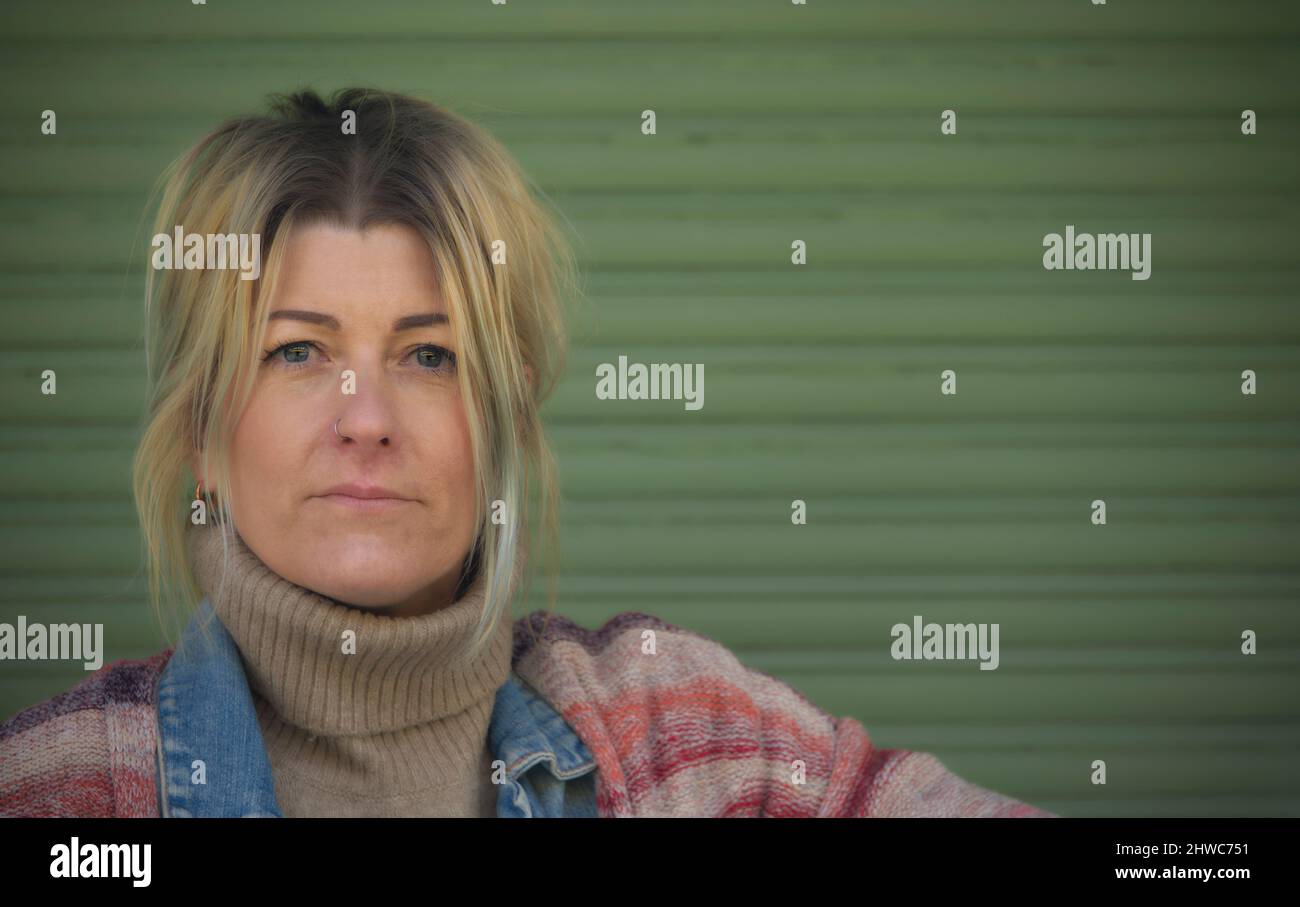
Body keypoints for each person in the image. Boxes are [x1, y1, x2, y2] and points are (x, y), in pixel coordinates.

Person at [0, 88, 1054, 818]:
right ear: (201, 439)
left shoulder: (686, 742)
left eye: (428, 354)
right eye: (298, 351)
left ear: (504, 425)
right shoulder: (70, 787)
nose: (365, 417)